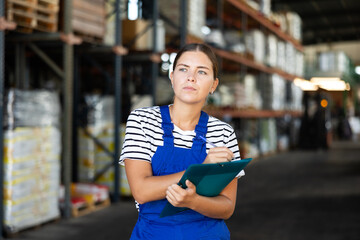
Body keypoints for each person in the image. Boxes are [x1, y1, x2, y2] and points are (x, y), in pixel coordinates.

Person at [119, 43, 243, 240]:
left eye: (201, 72)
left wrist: (193, 201)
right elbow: (141, 191)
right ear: (172, 77)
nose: (191, 77)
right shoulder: (142, 121)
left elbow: (227, 207)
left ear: (213, 85)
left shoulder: (223, 133)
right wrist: (200, 168)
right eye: (183, 69)